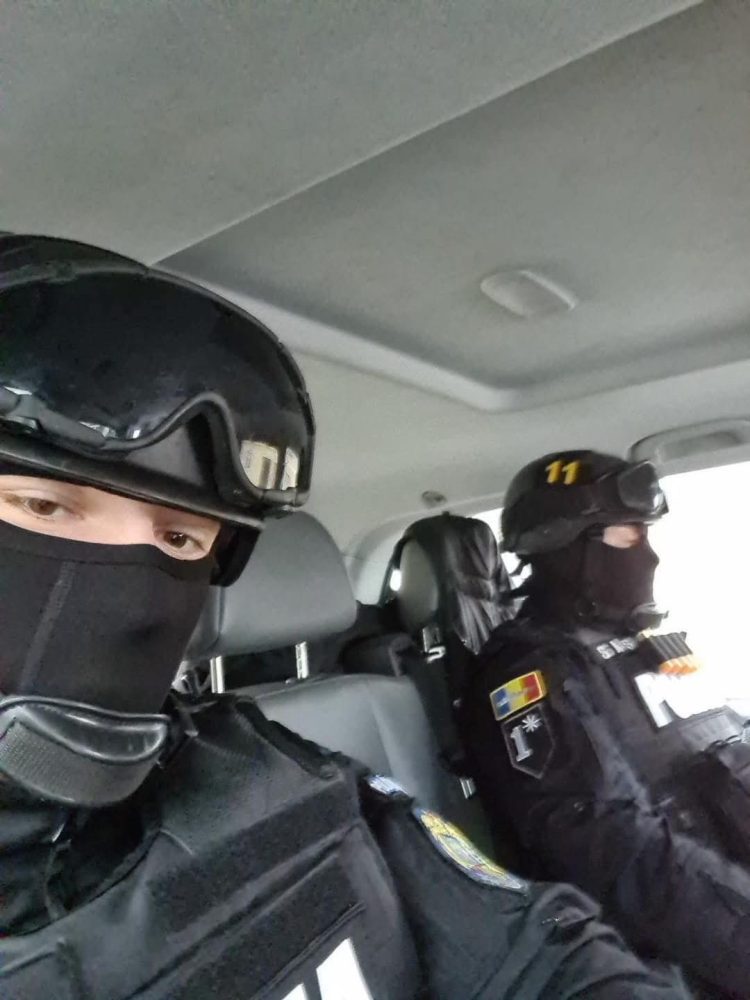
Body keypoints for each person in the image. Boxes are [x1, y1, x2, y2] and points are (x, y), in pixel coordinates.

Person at [0, 236, 690, 1000]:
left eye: (181, 538)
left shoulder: (258, 768)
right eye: (44, 505)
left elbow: (541, 953)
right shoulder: (528, 666)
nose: (134, 595)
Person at [461, 449, 750, 997]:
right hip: (684, 953)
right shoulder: (527, 670)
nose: (648, 554)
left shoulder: (645, 643)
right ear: (567, 546)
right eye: (628, 534)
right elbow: (612, 843)